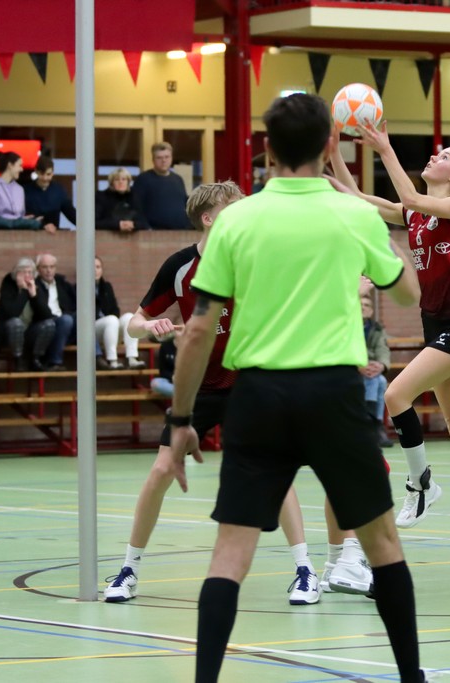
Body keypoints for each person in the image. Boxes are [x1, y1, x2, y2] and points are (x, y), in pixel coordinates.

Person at [165, 94, 426, 682]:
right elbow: (409, 292)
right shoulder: (351, 215)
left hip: (257, 397)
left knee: (230, 553)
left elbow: (199, 329)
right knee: (383, 543)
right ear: (330, 146)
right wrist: (375, 226)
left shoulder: (236, 220)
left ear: (266, 150)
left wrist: (180, 420)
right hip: (335, 395)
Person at [103, 181, 332, 609]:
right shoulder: (180, 267)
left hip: (251, 382)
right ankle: (128, 568)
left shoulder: (256, 258)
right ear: (208, 218)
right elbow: (135, 321)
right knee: (161, 470)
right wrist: (149, 327)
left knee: (273, 472)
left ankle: (306, 571)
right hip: (200, 387)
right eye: (233, 207)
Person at [331, 122, 450, 555]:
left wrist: (384, 148)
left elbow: (413, 198)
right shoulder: (414, 215)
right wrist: (334, 153)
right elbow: (357, 199)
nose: (435, 156)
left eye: (444, 156)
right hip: (435, 323)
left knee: (395, 396)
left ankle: (420, 486)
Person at [0, 257, 56, 370]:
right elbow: (12, 313)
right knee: (16, 323)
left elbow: (47, 316)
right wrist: (23, 291)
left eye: (30, 272)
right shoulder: (8, 284)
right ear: (16, 274)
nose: (27, 276)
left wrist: (34, 296)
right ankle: (18, 359)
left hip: (29, 332)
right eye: (23, 272)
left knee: (49, 324)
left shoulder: (37, 285)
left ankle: (36, 359)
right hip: (7, 333)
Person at [93, 256, 144, 370]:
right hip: (94, 330)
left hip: (112, 327)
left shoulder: (106, 287)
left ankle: (132, 359)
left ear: (102, 269)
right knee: (111, 320)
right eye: (92, 268)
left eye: (98, 267)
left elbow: (115, 309)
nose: (95, 270)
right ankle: (113, 361)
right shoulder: (80, 288)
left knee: (130, 317)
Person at [0, 152, 54, 232]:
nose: (22, 169)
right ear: (10, 165)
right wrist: (28, 223)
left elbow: (19, 218)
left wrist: (29, 221)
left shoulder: (19, 189)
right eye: (20, 165)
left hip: (18, 236)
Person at [361, 292, 395, 448]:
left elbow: (383, 349)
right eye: (360, 304)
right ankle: (375, 427)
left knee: (379, 379)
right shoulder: (347, 326)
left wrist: (381, 365)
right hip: (350, 369)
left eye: (366, 305)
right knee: (377, 381)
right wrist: (360, 365)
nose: (363, 308)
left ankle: (373, 426)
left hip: (370, 371)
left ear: (371, 311)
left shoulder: (376, 329)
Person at [132, 142, 190, 230]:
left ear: (171, 158)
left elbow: (185, 205)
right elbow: (136, 207)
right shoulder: (143, 179)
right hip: (153, 232)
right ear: (153, 160)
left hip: (180, 231)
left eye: (167, 157)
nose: (164, 160)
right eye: (159, 158)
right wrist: (146, 228)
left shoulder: (178, 179)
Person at [34, 253, 75, 371]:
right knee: (66, 320)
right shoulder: (35, 286)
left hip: (66, 324)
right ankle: (55, 361)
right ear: (38, 270)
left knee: (83, 318)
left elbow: (75, 304)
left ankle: (96, 356)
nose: (49, 270)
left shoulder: (63, 285)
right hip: (46, 324)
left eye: (52, 267)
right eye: (45, 267)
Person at [24, 156, 77, 230]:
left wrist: (89, 226)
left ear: (53, 173)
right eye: (42, 174)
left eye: (48, 174)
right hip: (30, 233)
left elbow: (71, 214)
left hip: (53, 234)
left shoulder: (59, 191)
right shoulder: (26, 191)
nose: (45, 178)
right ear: (36, 171)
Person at [95, 167, 148, 232]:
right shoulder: (102, 197)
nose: (120, 182)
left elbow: (143, 222)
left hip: (132, 236)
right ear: (111, 183)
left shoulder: (134, 198)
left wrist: (133, 224)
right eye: (117, 180)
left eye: (124, 179)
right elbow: (95, 223)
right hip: (106, 236)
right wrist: (118, 225)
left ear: (128, 182)